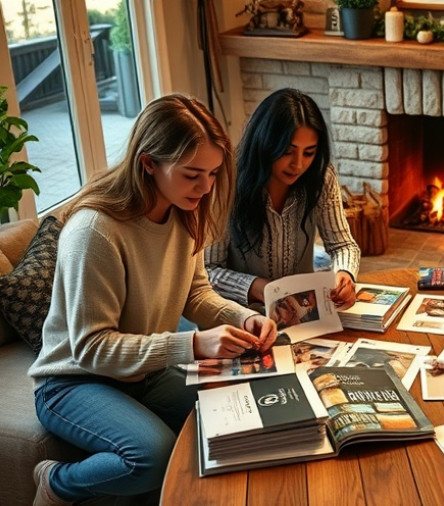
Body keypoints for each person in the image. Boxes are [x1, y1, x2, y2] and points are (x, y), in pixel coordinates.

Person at [28, 94, 278, 505]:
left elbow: (195, 293)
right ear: (148, 163)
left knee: (244, 415)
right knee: (153, 456)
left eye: (213, 173)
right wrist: (194, 344)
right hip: (74, 381)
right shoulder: (95, 232)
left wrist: (241, 316)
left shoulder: (184, 211)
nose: (206, 187)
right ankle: (56, 482)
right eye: (192, 174)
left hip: (143, 372)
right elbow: (91, 348)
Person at [206, 88, 360, 313]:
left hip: (301, 314)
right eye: (287, 151)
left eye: (309, 153)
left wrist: (344, 274)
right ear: (264, 142)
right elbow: (208, 270)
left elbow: (343, 245)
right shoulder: (227, 182)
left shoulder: (321, 178)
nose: (298, 164)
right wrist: (255, 287)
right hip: (240, 315)